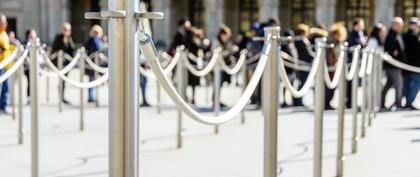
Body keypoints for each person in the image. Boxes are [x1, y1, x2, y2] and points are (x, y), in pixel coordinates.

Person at [382, 17, 406, 110]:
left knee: (388, 85)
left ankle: (381, 102)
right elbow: (391, 51)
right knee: (398, 85)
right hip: (393, 66)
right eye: (400, 25)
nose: (402, 26)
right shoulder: (390, 36)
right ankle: (398, 104)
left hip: (395, 65)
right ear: (394, 25)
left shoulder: (396, 34)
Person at [211, 24, 236, 108]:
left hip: (222, 66)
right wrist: (229, 51)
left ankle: (217, 100)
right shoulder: (216, 41)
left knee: (220, 84)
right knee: (216, 83)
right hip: (216, 66)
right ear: (222, 34)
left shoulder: (225, 42)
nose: (227, 37)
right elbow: (217, 54)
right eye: (227, 35)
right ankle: (215, 101)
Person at [52, 22, 76, 104]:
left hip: (67, 63)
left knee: (64, 80)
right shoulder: (58, 37)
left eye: (68, 30)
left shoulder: (69, 38)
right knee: (61, 80)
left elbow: (72, 49)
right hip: (59, 63)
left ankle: (62, 97)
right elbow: (55, 49)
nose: (67, 31)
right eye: (65, 29)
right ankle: (61, 97)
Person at [325, 22, 347, 110]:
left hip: (332, 66)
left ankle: (327, 103)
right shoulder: (331, 41)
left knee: (330, 87)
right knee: (329, 86)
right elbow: (330, 54)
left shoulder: (333, 40)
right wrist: (333, 63)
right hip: (330, 66)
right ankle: (326, 103)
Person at [346, 18, 367, 108]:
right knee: (350, 83)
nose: (362, 26)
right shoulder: (351, 34)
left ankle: (353, 101)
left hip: (359, 61)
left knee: (356, 83)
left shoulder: (361, 34)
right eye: (360, 25)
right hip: (352, 62)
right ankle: (349, 101)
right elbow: (352, 46)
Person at [293, 23, 315, 107]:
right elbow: (308, 53)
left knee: (300, 83)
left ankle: (297, 100)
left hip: (300, 64)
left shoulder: (297, 41)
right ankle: (298, 101)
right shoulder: (303, 41)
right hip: (304, 64)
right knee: (303, 83)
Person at [403, 17, 420, 109]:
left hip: (408, 65)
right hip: (414, 65)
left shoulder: (406, 35)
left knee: (409, 84)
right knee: (416, 83)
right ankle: (409, 102)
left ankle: (408, 102)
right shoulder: (413, 36)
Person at [84, 25, 103, 103]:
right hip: (92, 63)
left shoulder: (94, 40)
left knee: (92, 80)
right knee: (91, 80)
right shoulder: (93, 40)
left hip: (93, 63)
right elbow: (95, 50)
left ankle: (91, 96)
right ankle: (90, 96)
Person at [0, 14, 14, 114]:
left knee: (5, 88)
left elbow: (7, 48)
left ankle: (3, 107)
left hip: (6, 65)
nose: (5, 24)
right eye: (3, 22)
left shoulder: (4, 34)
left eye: (5, 22)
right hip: (0, 66)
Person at [22, 29, 37, 104]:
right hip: (28, 66)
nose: (34, 35)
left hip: (35, 66)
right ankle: (29, 97)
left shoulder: (36, 42)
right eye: (32, 34)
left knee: (34, 82)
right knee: (29, 81)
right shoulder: (26, 43)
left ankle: (33, 96)